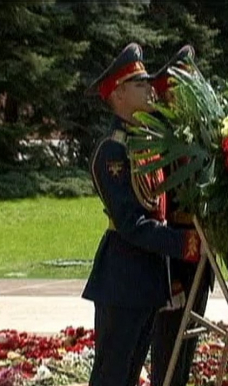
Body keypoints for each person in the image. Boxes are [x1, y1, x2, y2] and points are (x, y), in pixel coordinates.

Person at [83, 43, 201, 386]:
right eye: (139, 84)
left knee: (132, 372)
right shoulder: (113, 151)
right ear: (118, 95)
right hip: (122, 278)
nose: (150, 88)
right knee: (112, 375)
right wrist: (186, 244)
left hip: (148, 280)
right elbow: (132, 224)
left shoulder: (145, 143)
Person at [149, 44, 212, 386]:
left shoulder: (195, 133)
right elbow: (161, 204)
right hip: (175, 253)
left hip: (199, 253)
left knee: (189, 338)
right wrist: (169, 271)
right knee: (169, 342)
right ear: (170, 91)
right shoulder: (161, 137)